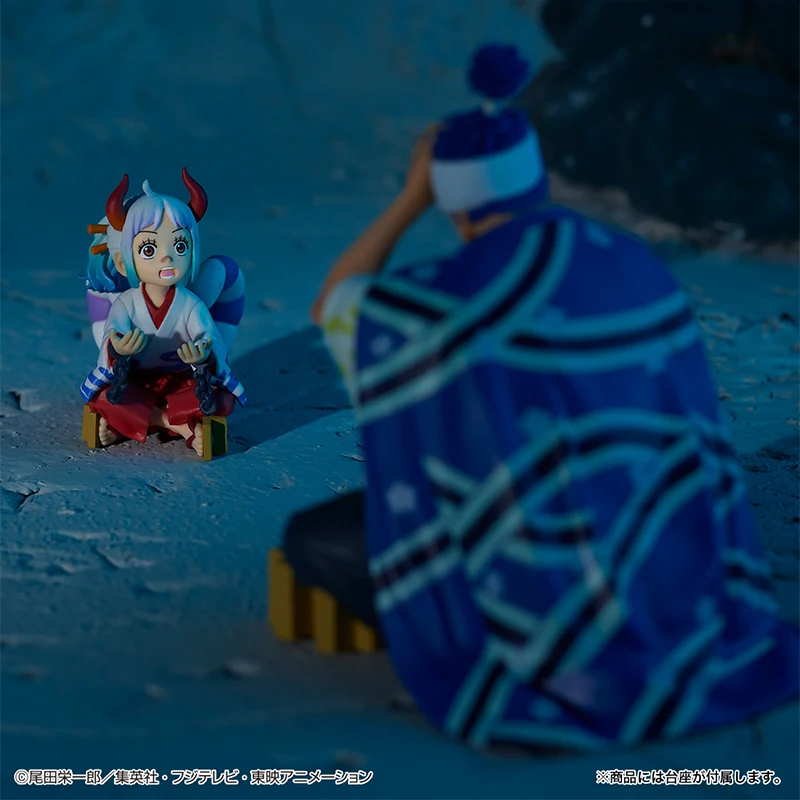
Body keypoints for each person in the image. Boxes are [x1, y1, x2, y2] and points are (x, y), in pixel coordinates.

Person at [283, 43, 799, 751]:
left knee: (317, 539)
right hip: (661, 540)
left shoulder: (430, 309)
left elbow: (336, 304)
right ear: (535, 178)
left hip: (539, 571)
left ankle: (525, 637)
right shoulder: (635, 265)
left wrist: (407, 201)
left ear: (452, 201)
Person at [80, 170, 246, 457]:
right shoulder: (126, 303)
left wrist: (202, 356)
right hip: (134, 379)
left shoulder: (191, 304)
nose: (167, 257)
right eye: (148, 248)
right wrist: (117, 348)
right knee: (105, 396)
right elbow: (111, 338)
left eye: (180, 246)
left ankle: (132, 423)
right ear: (122, 263)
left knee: (219, 399)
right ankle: (180, 426)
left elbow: (210, 340)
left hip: (183, 380)